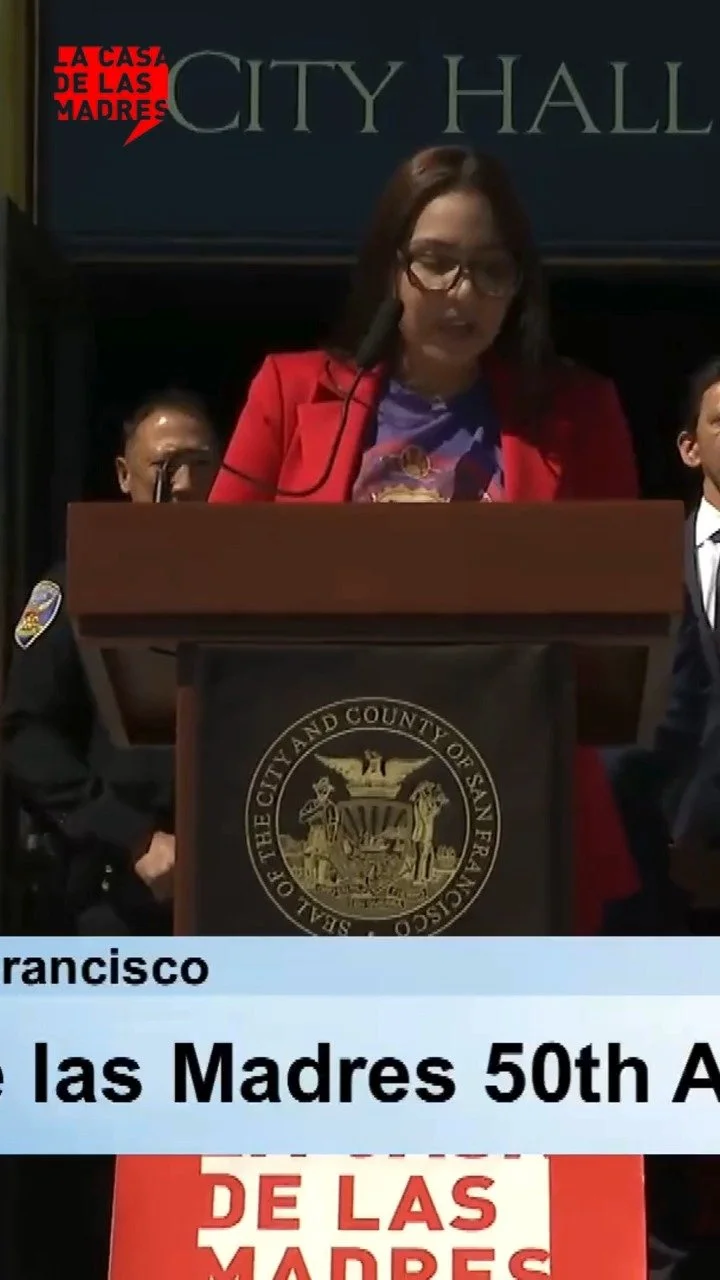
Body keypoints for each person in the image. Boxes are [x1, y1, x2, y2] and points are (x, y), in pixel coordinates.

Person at [209, 143, 640, 934]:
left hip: (524, 800)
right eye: (436, 262)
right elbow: (207, 582)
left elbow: (627, 604)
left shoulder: (578, 413)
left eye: (490, 269)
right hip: (314, 795)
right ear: (391, 269)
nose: (461, 292)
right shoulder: (291, 392)